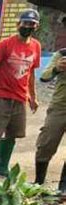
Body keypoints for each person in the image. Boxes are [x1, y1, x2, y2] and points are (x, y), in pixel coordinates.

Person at [0, 9, 41, 179]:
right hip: (0, 94)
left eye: (32, 24)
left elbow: (31, 73)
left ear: (36, 26)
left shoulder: (36, 45)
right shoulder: (5, 44)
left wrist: (33, 96)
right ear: (18, 24)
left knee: (13, 133)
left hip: (20, 96)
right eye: (25, 23)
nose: (28, 27)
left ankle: (2, 167)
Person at [34, 49, 66, 186]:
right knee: (46, 143)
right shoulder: (62, 54)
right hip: (60, 106)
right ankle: (39, 183)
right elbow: (44, 76)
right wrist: (57, 68)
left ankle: (64, 186)